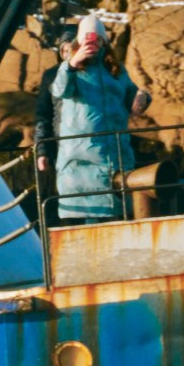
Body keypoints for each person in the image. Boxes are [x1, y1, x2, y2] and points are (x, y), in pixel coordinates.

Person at [35, 14, 146, 225]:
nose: (92, 43)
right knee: (92, 220)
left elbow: (130, 94)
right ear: (79, 40)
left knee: (118, 220)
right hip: (82, 161)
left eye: (97, 38)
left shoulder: (116, 69)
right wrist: (72, 64)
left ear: (104, 40)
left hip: (117, 156)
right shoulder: (69, 69)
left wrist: (142, 96)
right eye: (87, 38)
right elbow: (59, 90)